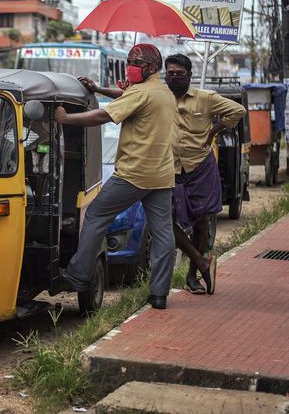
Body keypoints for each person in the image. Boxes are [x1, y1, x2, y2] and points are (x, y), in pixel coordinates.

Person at [56, 43, 177, 310]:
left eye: (137, 64)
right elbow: (127, 97)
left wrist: (66, 119)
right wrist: (99, 89)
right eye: (130, 62)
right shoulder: (162, 92)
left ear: (152, 67)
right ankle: (159, 294)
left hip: (133, 174)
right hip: (162, 175)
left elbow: (102, 115)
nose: (131, 67)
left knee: (97, 214)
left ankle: (77, 274)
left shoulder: (143, 93)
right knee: (163, 235)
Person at [164, 53, 246, 295]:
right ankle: (201, 261)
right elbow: (128, 99)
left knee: (201, 223)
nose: (174, 78)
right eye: (170, 73)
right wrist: (98, 88)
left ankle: (192, 276)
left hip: (200, 167)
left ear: (189, 75)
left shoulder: (206, 98)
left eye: (179, 74)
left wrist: (214, 132)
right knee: (164, 220)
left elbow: (237, 111)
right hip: (170, 168)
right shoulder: (160, 98)